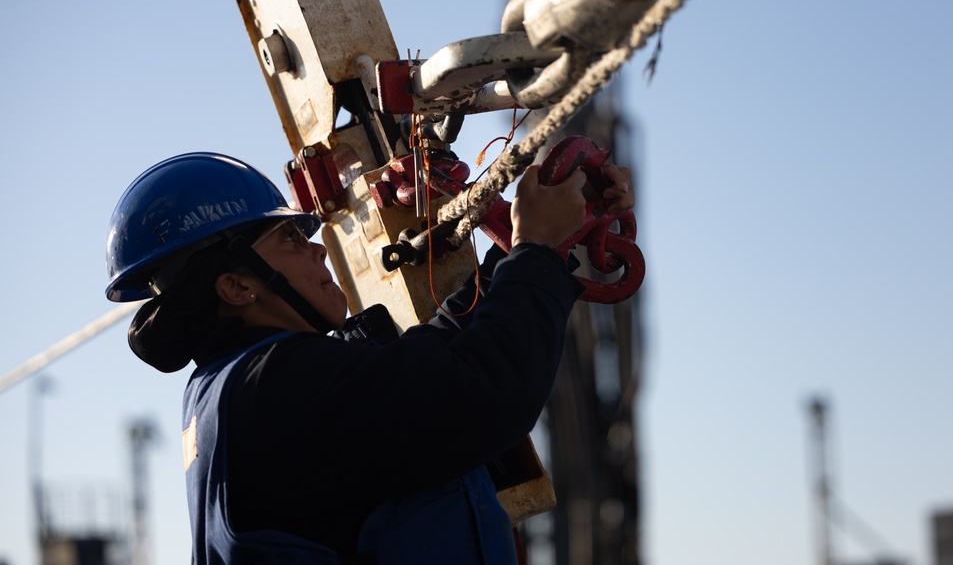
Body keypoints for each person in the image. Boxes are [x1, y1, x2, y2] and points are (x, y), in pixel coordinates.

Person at [105, 150, 633, 564]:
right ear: (237, 287)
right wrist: (537, 251)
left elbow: (429, 361)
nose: (317, 248)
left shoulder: (243, 388)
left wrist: (537, 242)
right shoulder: (279, 388)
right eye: (289, 238)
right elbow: (482, 391)